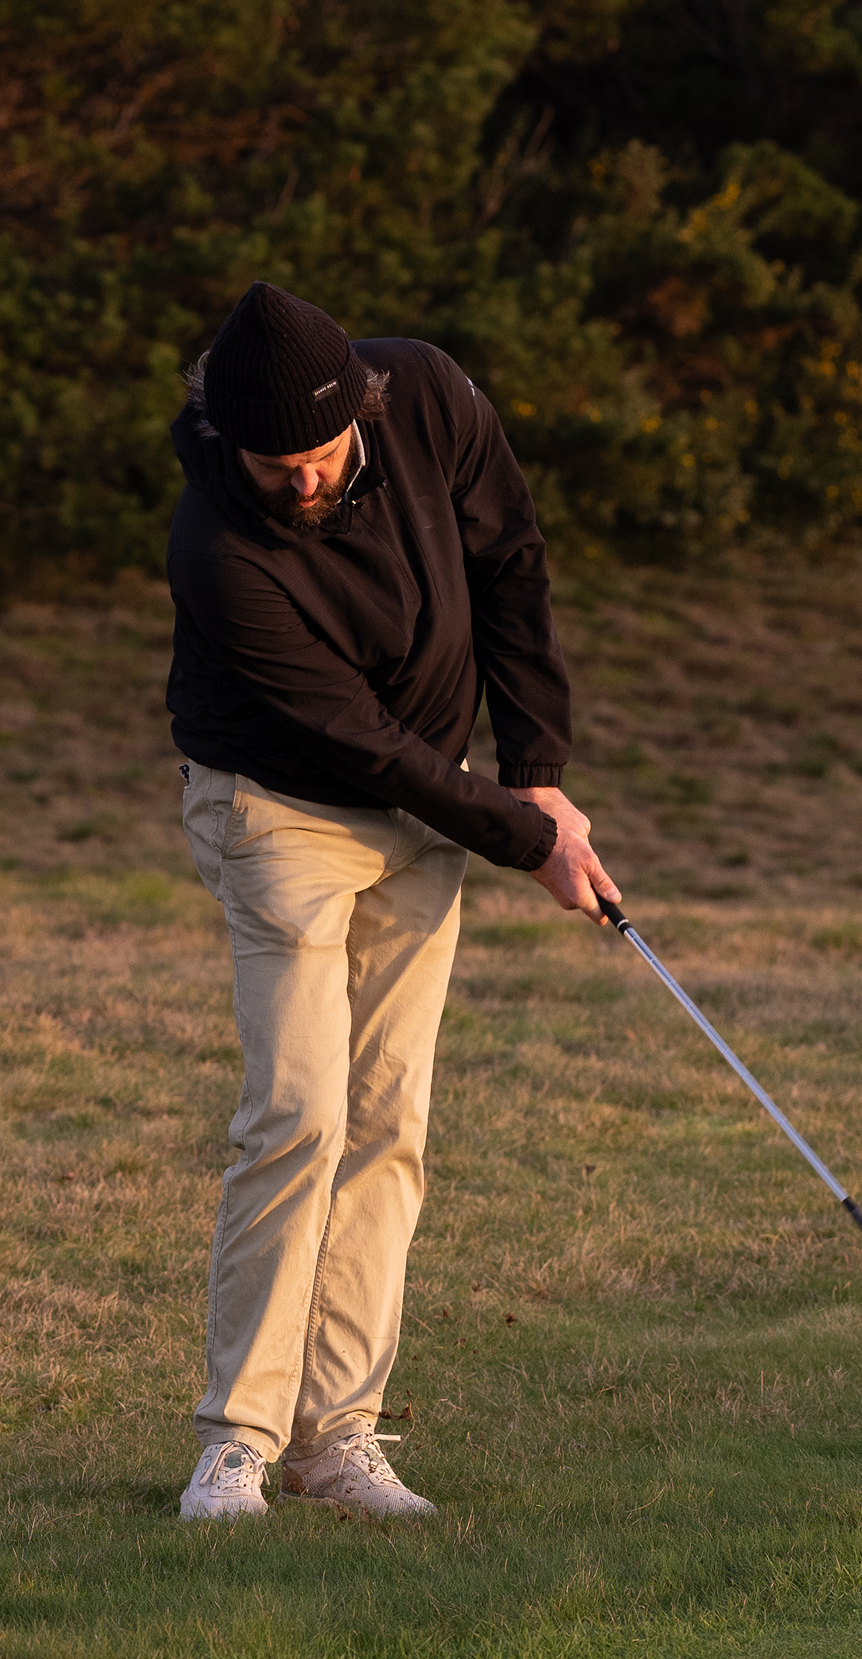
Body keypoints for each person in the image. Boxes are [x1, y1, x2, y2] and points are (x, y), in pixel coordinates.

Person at [166, 281, 618, 1520]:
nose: (299, 483)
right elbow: (358, 741)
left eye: (317, 458)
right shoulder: (217, 543)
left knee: (388, 1124)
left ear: (362, 411)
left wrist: (537, 771)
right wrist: (521, 837)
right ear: (229, 443)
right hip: (280, 813)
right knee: (300, 1114)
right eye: (273, 465)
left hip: (429, 809)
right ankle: (238, 1444)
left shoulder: (425, 395)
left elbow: (510, 566)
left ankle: (337, 1438)